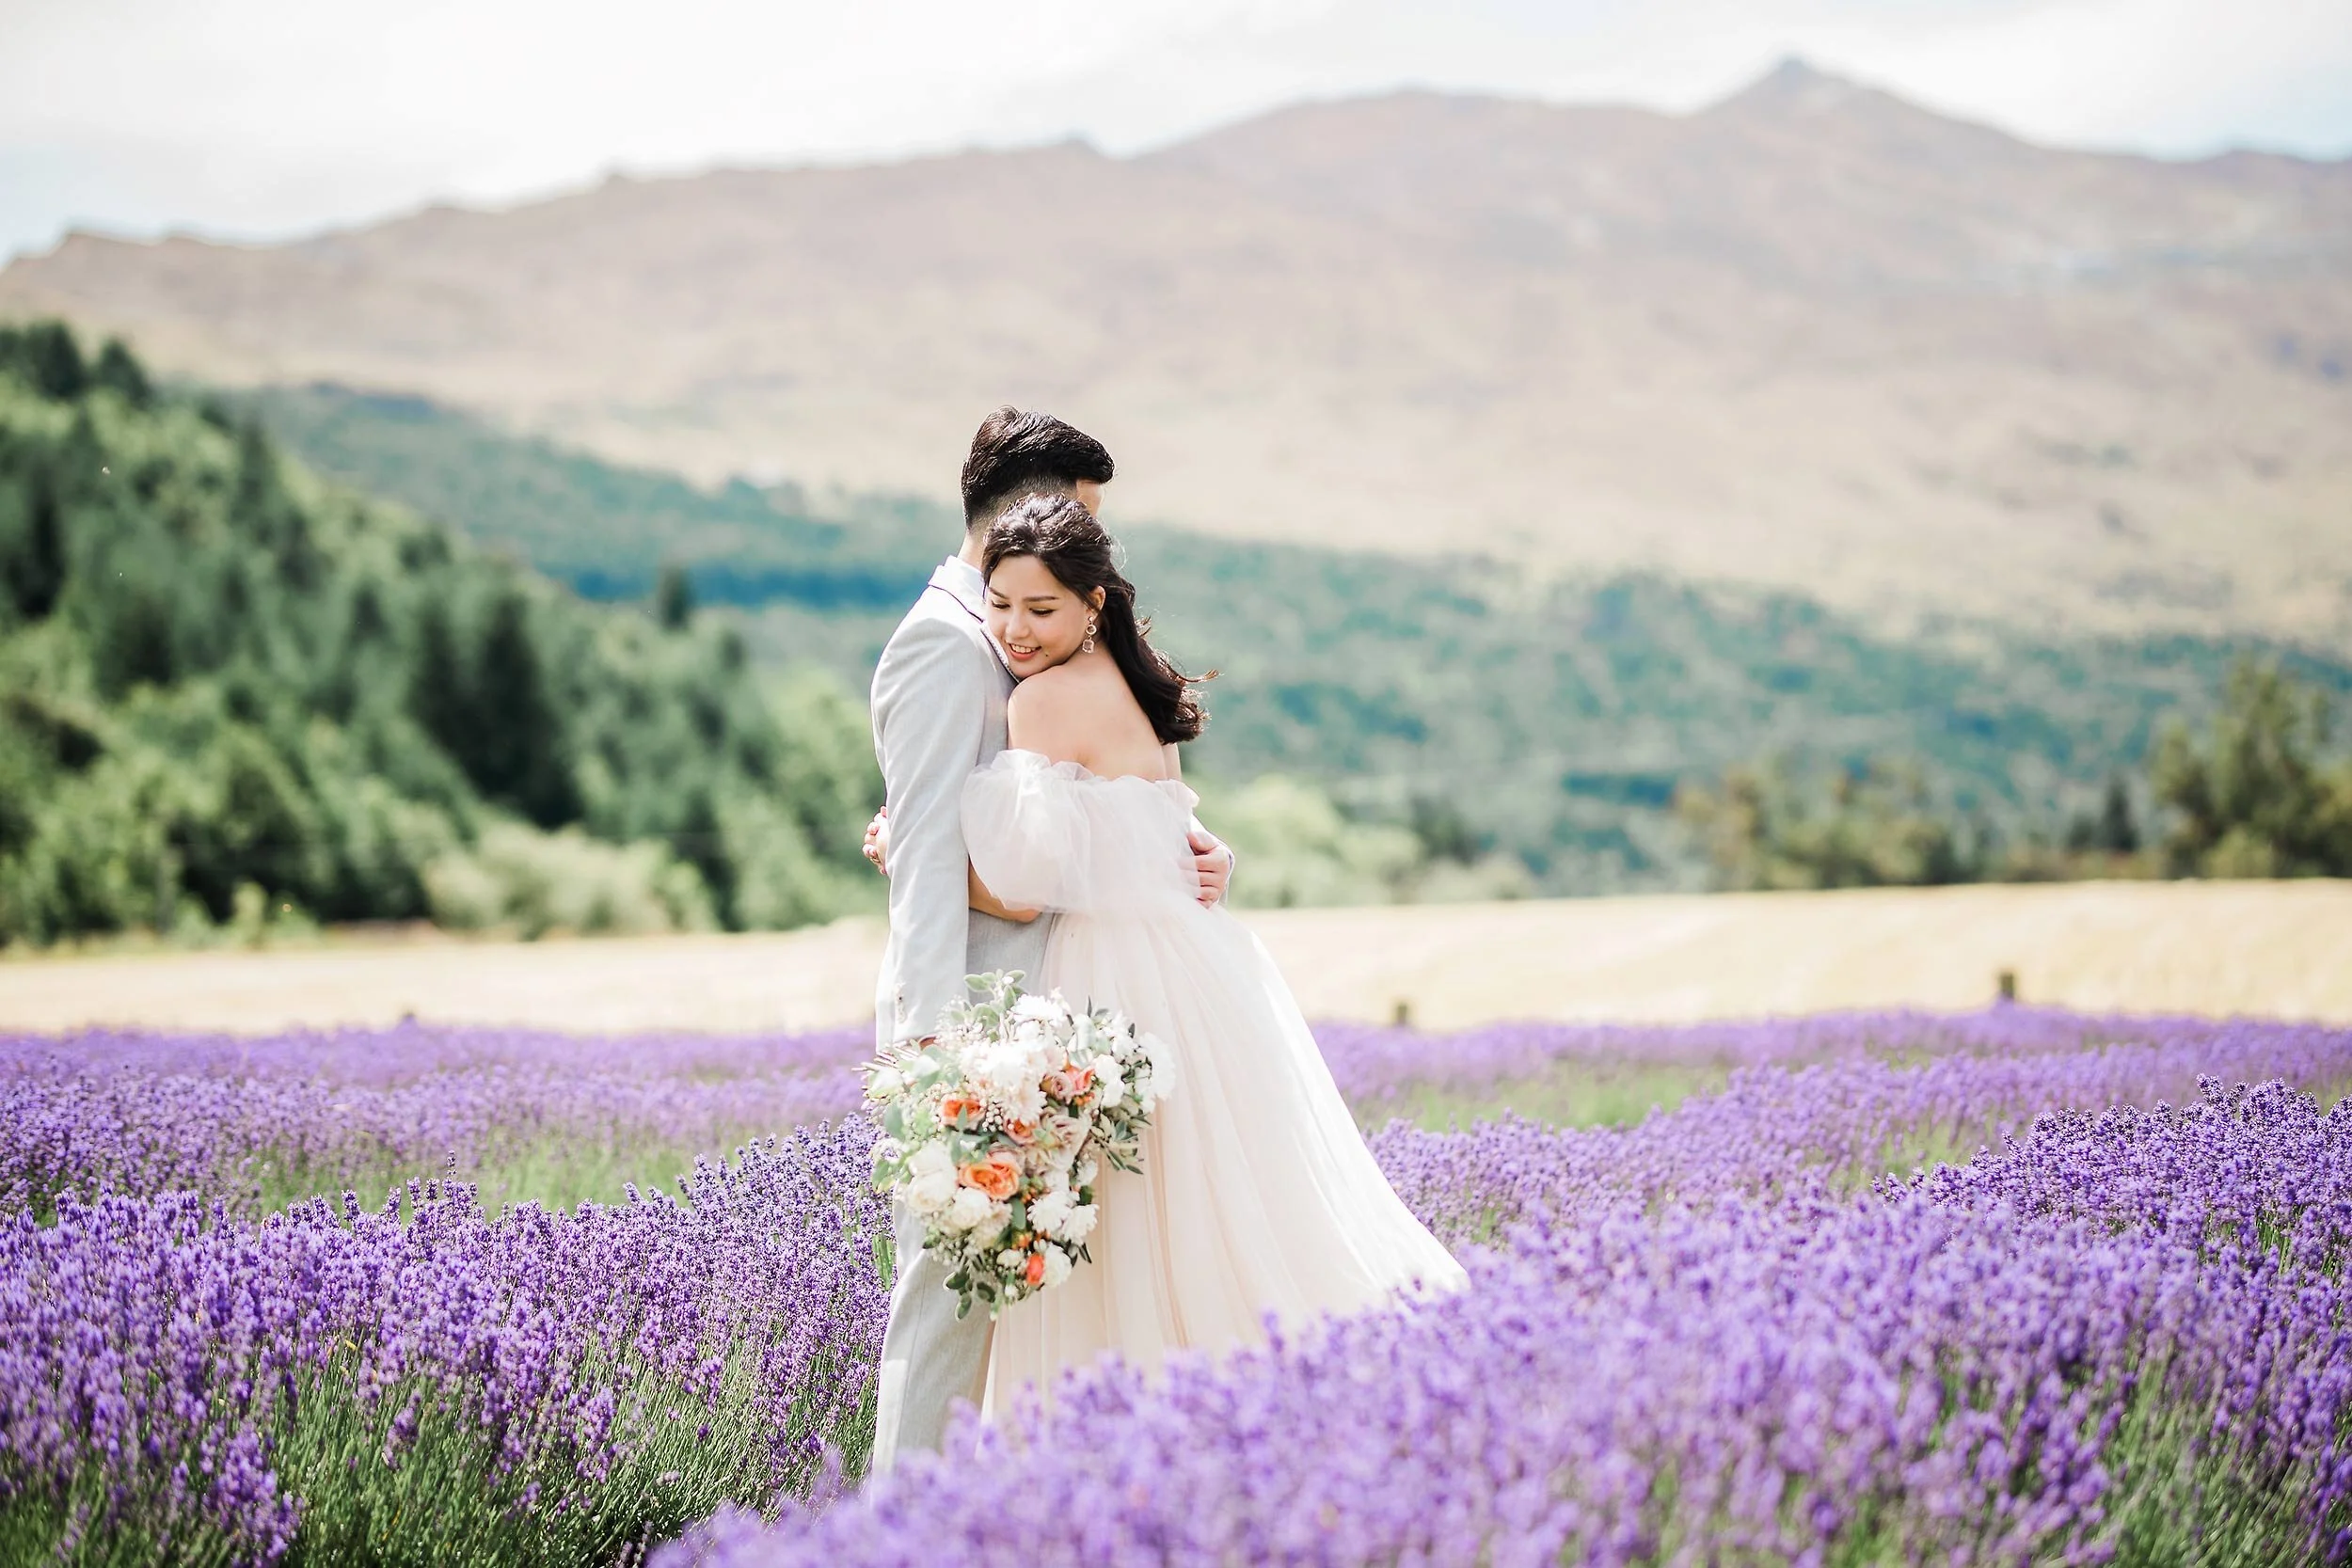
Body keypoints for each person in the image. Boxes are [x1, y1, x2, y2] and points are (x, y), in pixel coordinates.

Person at [955, 491, 1466, 1415]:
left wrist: (914, 861)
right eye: (999, 604)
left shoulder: (1038, 702)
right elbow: (1167, 836)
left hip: (1111, 977)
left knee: (1134, 1216)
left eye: (1040, 608)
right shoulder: (1132, 682)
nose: (1014, 629)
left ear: (1091, 603)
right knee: (1222, 1199)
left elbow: (1024, 887)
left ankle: (1139, 1423)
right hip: (1196, 967)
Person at [865, 407, 1233, 1469]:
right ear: (1021, 510)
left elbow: (1090, 794)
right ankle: (901, 1534)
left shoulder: (1018, 634)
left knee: (1034, 1311)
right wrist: (937, 1061)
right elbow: (935, 872)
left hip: (1060, 1025)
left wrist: (1193, 847)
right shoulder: (943, 642)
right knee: (942, 1311)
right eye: (1080, 513)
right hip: (977, 1031)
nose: (1090, 539)